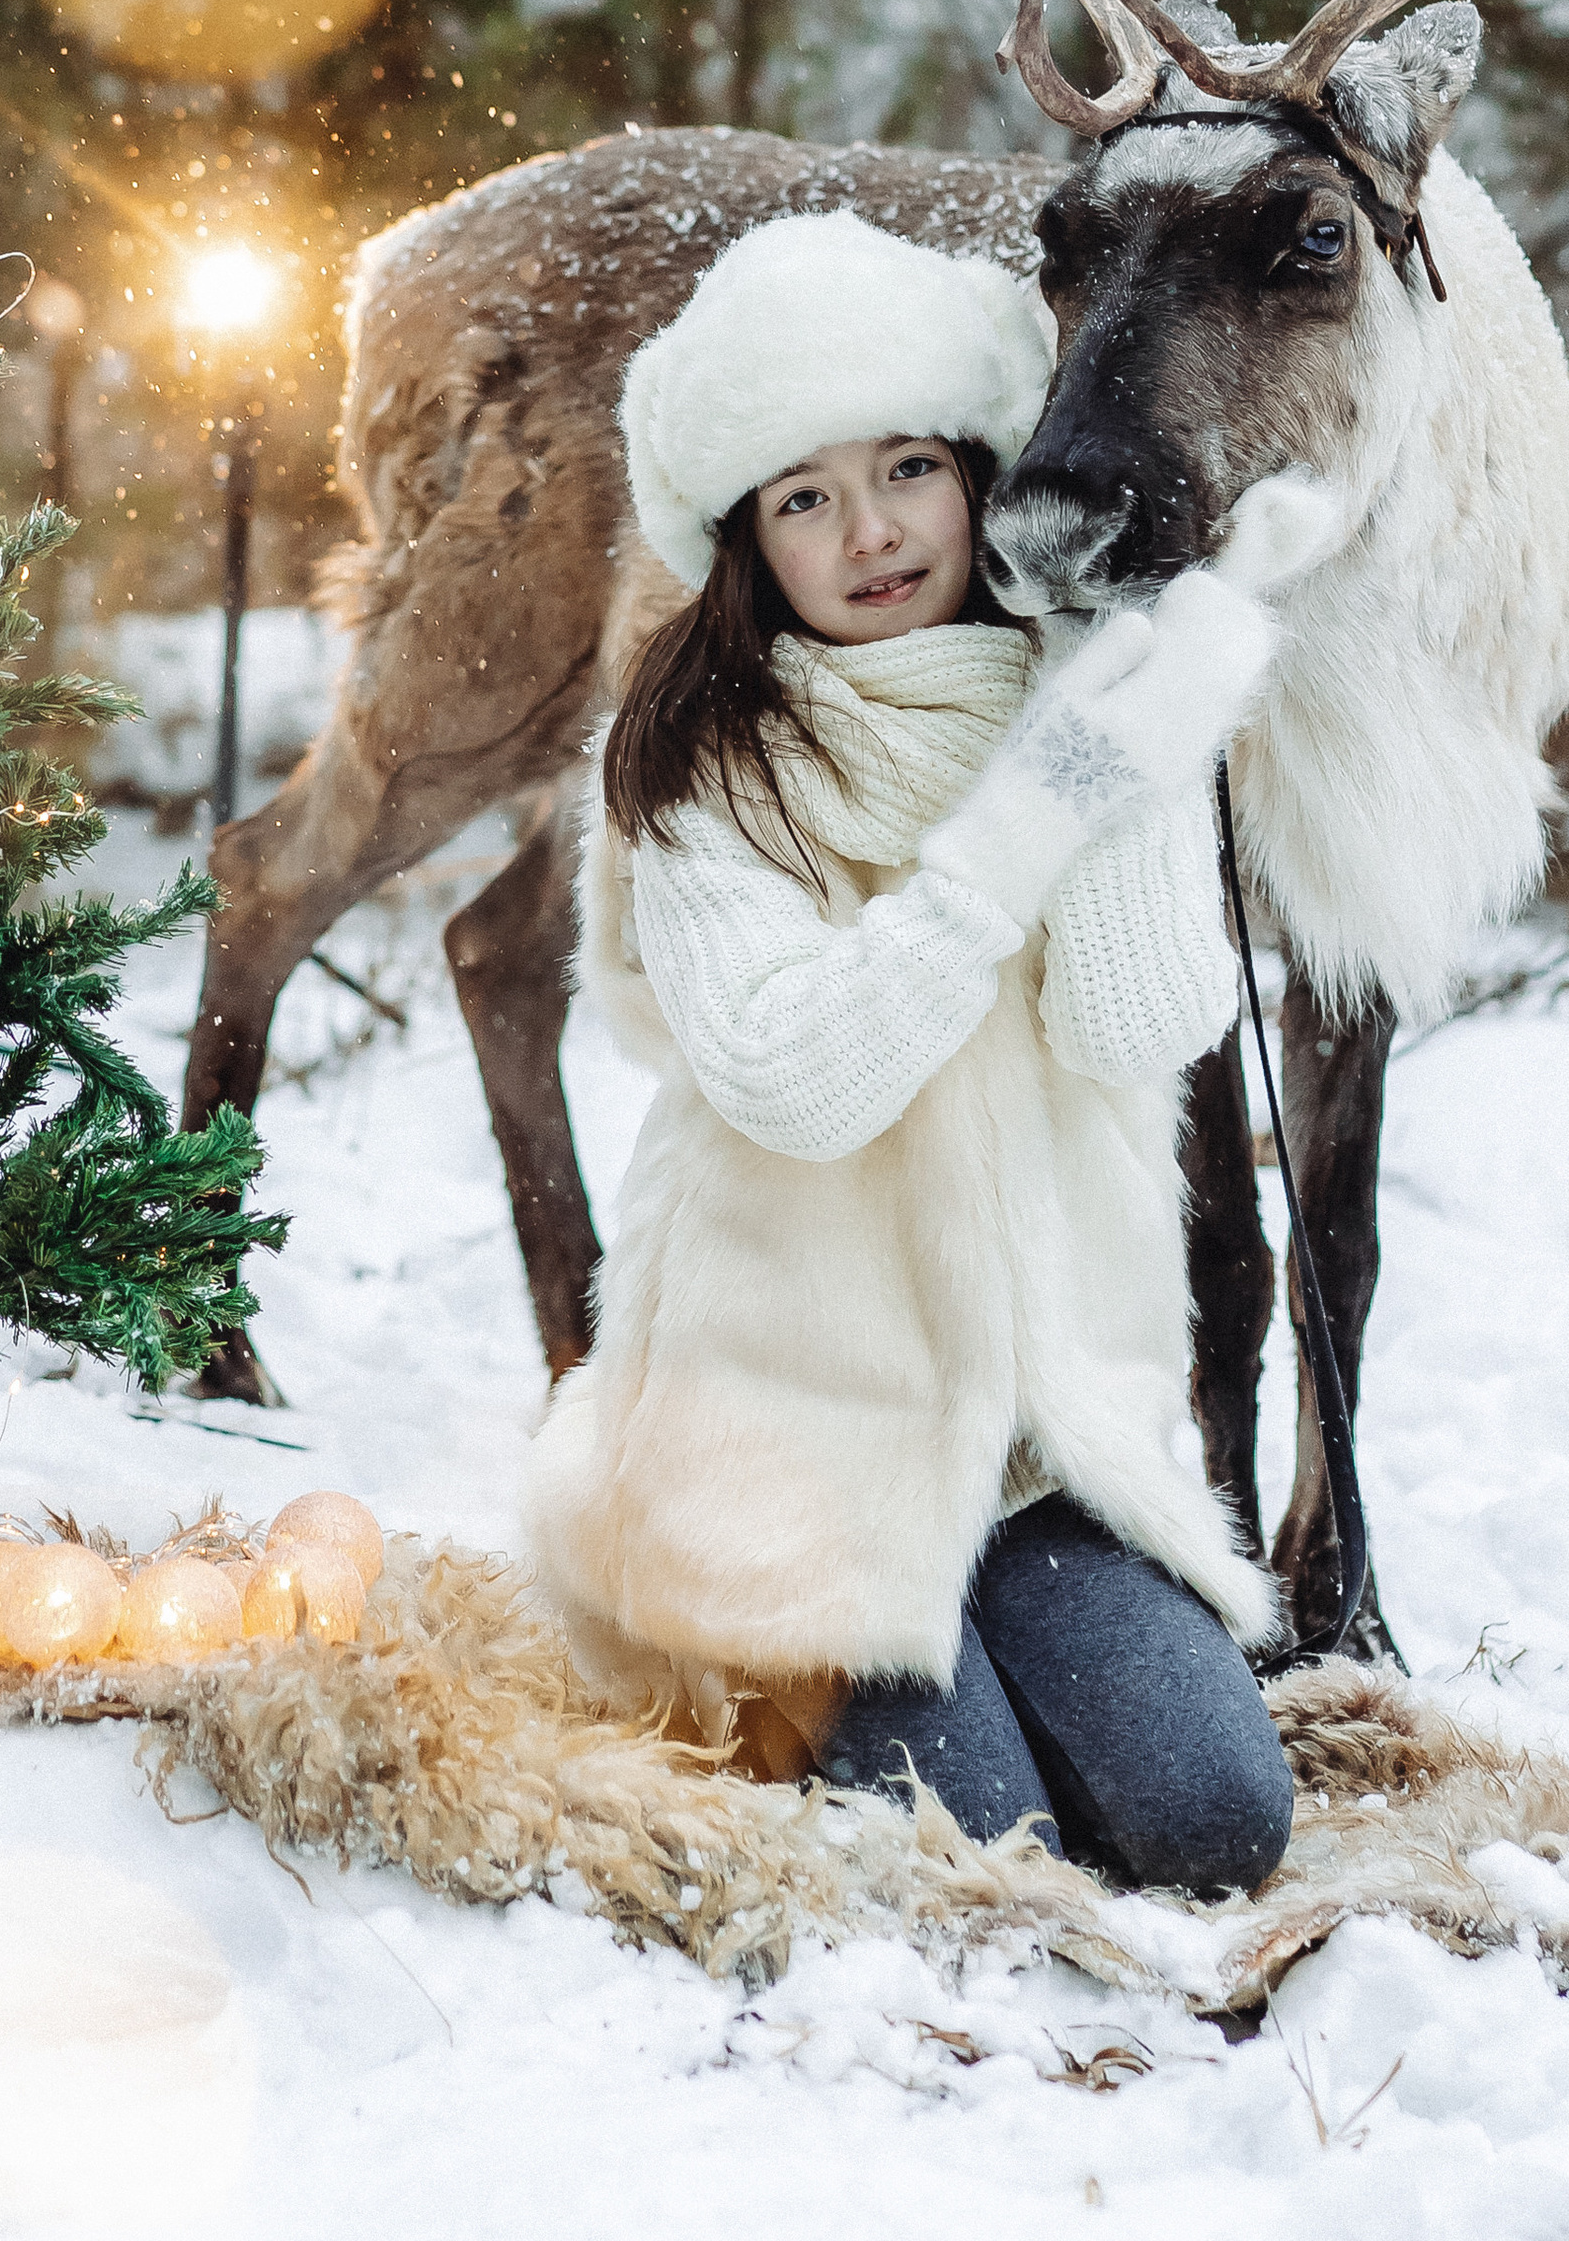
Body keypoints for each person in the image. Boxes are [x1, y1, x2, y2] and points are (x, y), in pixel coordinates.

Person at [525, 208, 1330, 1899]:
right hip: (792, 1441)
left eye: (908, 468)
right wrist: (1010, 839)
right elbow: (801, 1080)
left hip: (1041, 1446)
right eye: (805, 495)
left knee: (1213, 1823)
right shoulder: (698, 769)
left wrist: (1126, 742)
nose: (872, 530)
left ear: (977, 471)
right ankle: (777, 1632)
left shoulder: (1080, 704)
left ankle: (994, 1618)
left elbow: (1139, 1022)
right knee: (988, 1845)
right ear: (746, 534)